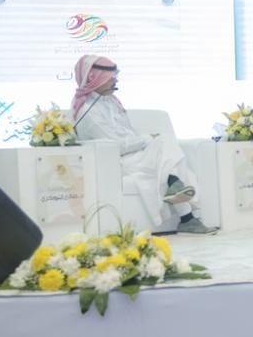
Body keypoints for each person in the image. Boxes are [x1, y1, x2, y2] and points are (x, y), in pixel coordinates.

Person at [71, 55, 218, 233]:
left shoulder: (111, 102)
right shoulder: (88, 111)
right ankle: (185, 213)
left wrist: (147, 141)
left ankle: (177, 192)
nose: (115, 80)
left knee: (167, 151)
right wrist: (148, 139)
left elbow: (128, 134)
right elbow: (116, 146)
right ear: (94, 78)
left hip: (136, 154)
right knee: (166, 147)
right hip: (119, 161)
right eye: (111, 77)